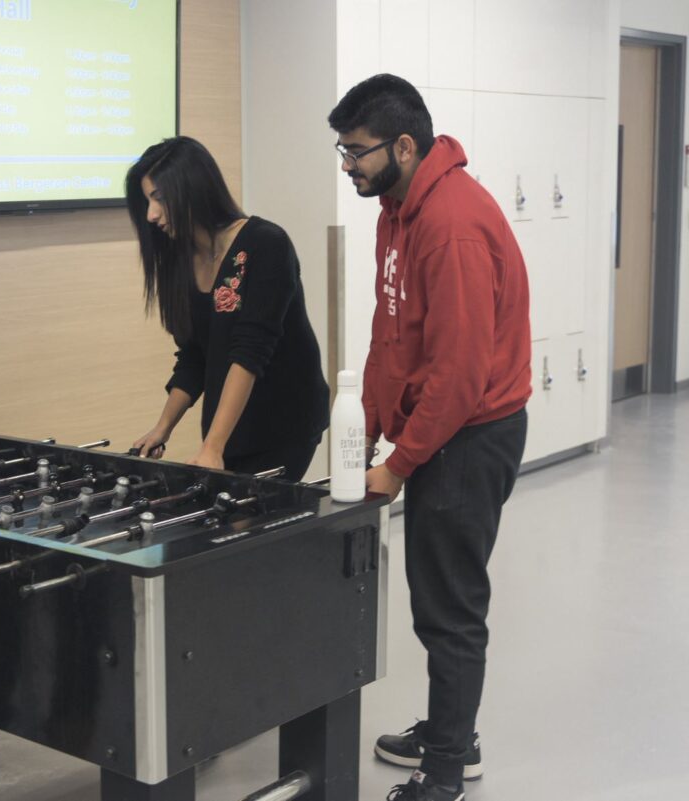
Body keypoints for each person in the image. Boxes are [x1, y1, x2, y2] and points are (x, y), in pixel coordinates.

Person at [328, 75, 532, 801]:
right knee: (434, 598)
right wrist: (367, 432)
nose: (347, 164)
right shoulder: (396, 209)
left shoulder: (450, 224)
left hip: (471, 434)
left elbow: (459, 372)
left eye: (356, 151)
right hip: (440, 425)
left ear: (403, 145)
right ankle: (452, 730)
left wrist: (401, 462)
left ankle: (446, 768)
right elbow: (394, 335)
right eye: (342, 151)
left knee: (448, 609)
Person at [125, 136, 329, 477]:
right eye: (147, 201)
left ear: (193, 186)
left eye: (159, 198)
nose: (151, 215)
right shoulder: (181, 261)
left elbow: (250, 351)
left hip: (283, 422)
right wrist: (163, 427)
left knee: (251, 525)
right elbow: (194, 355)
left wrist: (212, 448)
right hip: (229, 425)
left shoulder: (267, 243)